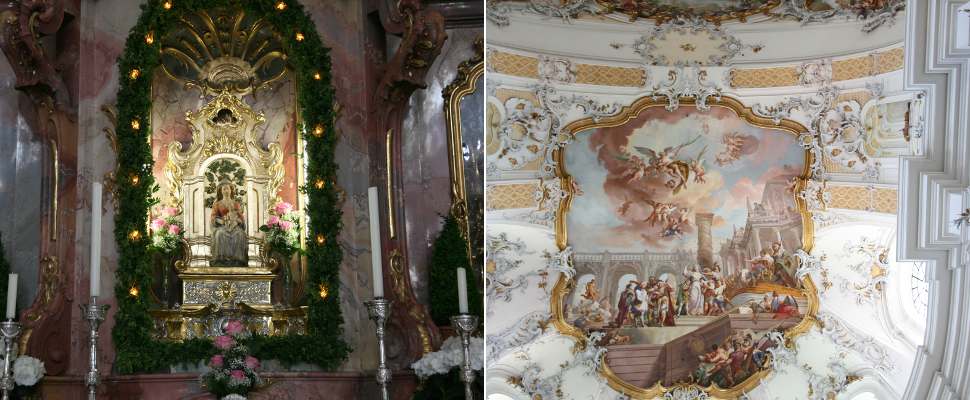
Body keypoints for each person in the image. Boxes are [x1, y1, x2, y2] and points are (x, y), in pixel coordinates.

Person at [211, 181, 248, 266]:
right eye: (224, 189)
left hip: (235, 227)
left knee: (240, 234)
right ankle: (221, 259)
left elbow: (241, 218)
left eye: (228, 189)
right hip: (222, 226)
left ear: (231, 191)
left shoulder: (236, 204)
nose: (226, 191)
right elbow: (213, 217)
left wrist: (237, 221)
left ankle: (237, 260)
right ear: (221, 191)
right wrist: (221, 221)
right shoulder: (217, 204)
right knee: (220, 234)